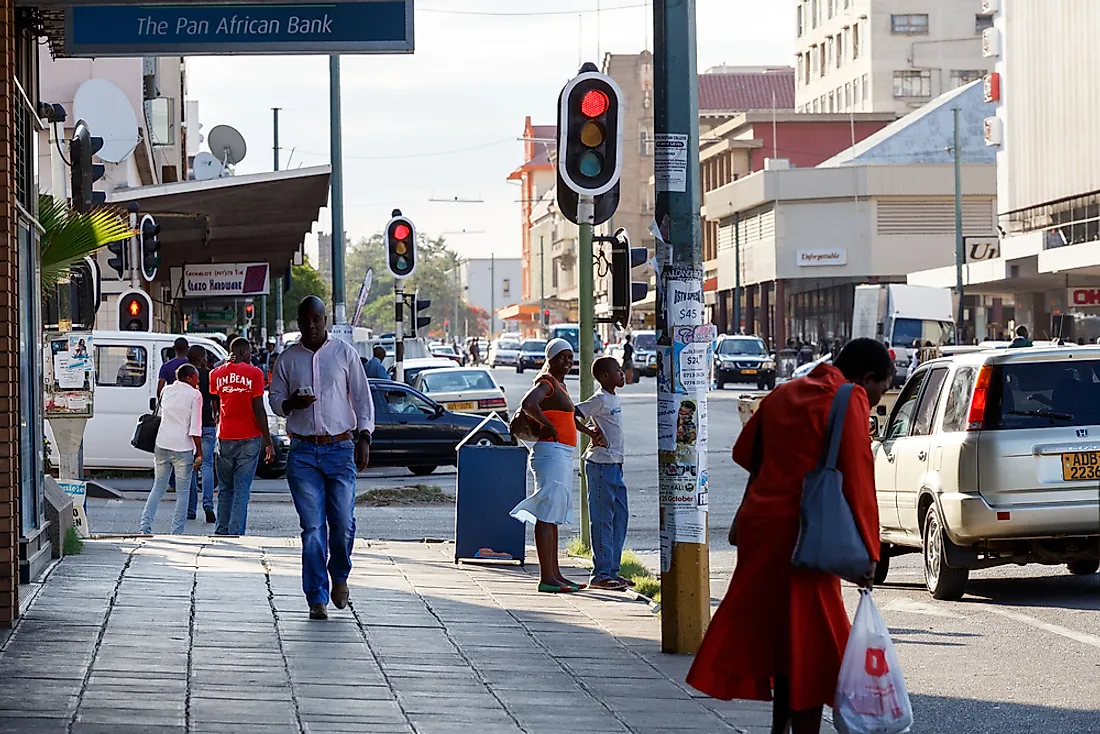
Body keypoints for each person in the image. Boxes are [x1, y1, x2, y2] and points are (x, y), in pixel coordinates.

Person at [686, 338, 892, 734]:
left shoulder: (782, 393)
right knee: (810, 649)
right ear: (866, 380)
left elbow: (746, 453)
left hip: (761, 530)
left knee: (783, 644)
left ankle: (779, 728)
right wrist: (869, 552)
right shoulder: (848, 400)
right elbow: (858, 480)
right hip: (805, 537)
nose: (877, 399)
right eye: (880, 391)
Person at [270, 296, 374, 621]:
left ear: (325, 319)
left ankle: (339, 574)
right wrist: (290, 406)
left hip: (340, 448)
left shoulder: (345, 353)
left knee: (342, 523)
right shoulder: (287, 359)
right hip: (302, 453)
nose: (312, 325)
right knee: (312, 527)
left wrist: (365, 437)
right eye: (306, 320)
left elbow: (361, 396)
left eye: (317, 318)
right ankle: (316, 596)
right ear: (298, 323)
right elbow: (274, 397)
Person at [510, 338, 602, 593]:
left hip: (561, 452)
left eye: (570, 356)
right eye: (562, 356)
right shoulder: (547, 383)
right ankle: (546, 577)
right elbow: (529, 404)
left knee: (554, 514)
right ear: (550, 359)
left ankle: (555, 573)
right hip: (550, 453)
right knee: (547, 512)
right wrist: (548, 427)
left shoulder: (561, 385)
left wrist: (589, 432)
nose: (567, 361)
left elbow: (569, 419)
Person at [575, 356, 629, 591]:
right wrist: (590, 433)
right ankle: (601, 574)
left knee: (620, 518)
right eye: (617, 371)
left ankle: (613, 570)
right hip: (600, 466)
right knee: (602, 520)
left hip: (616, 465)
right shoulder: (599, 399)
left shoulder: (614, 398)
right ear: (604, 376)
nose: (622, 374)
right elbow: (574, 414)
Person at [210, 338, 273, 536]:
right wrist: (268, 442)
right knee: (241, 489)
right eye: (249, 352)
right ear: (244, 351)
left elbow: (215, 403)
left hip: (225, 436)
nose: (251, 356)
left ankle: (221, 530)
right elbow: (259, 409)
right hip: (249, 437)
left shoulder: (216, 374)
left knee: (225, 488)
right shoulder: (255, 373)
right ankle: (236, 532)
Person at [139, 364, 203, 535]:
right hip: (183, 447)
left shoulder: (166, 390)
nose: (198, 380)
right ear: (189, 377)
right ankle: (176, 532)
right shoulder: (195, 395)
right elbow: (195, 428)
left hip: (161, 444)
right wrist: (200, 452)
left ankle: (144, 526)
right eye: (196, 376)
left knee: (158, 487)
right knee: (183, 494)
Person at [186, 346, 218, 524]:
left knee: (191, 467)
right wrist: (215, 417)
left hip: (190, 425)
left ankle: (190, 509)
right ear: (200, 358)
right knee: (206, 465)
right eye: (205, 357)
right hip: (207, 423)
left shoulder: (185, 375)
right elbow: (215, 400)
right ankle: (208, 506)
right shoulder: (210, 375)